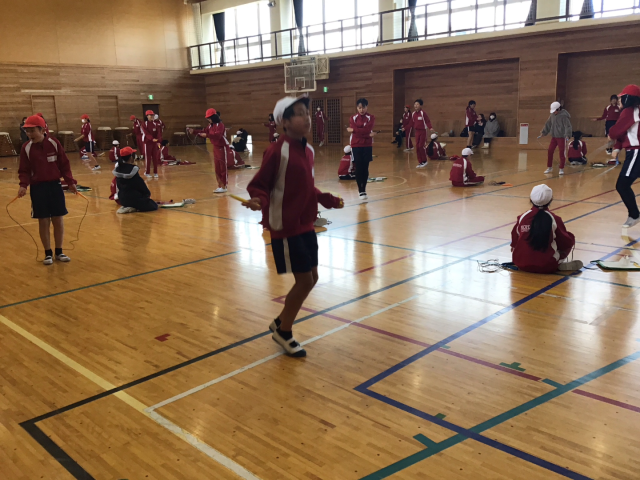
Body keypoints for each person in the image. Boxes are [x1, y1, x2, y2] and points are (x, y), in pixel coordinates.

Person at [242, 95, 344, 357]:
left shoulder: (308, 151)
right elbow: (260, 184)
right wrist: (258, 200)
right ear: (284, 122)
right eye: (299, 113)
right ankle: (284, 332)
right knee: (304, 280)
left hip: (305, 223)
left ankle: (281, 321)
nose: (307, 118)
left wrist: (326, 199)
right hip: (285, 225)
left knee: (313, 278)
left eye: (306, 113)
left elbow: (307, 186)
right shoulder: (277, 151)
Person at [17, 115, 77, 265]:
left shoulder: (54, 143)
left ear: (42, 130)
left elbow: (64, 164)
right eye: (27, 131)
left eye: (32, 131)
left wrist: (70, 182)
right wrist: (23, 185)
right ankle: (48, 253)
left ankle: (59, 251)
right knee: (43, 221)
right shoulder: (26, 148)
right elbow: (24, 170)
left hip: (55, 186)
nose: (29, 134)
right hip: (38, 188)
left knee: (58, 219)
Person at [510, 184, 583, 273]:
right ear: (551, 200)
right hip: (546, 265)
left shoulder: (522, 217)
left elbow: (514, 240)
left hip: (520, 263)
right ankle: (557, 264)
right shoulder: (554, 219)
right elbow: (565, 242)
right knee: (569, 237)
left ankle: (529, 260)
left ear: (530, 199)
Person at [609, 84, 640, 228]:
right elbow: (623, 134)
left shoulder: (629, 111)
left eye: (622, 97)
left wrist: (611, 136)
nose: (619, 100)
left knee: (622, 185)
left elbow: (615, 132)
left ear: (628, 98)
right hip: (633, 152)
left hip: (636, 153)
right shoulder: (633, 112)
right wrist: (617, 148)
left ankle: (634, 215)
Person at [189, 108, 229, 193]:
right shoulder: (210, 126)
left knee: (222, 167)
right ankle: (220, 185)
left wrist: (207, 135)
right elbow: (203, 131)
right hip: (215, 147)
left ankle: (224, 186)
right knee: (217, 168)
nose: (208, 120)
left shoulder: (220, 125)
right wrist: (194, 132)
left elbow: (217, 136)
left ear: (214, 117)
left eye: (209, 118)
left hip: (222, 147)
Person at [112, 147, 158, 214]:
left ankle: (128, 206)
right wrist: (147, 195)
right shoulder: (133, 169)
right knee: (153, 205)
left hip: (122, 199)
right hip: (133, 198)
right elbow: (140, 185)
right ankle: (134, 208)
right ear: (131, 157)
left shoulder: (118, 169)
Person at [348, 98, 376, 200]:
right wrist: (367, 134)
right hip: (356, 145)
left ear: (366, 107)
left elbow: (368, 129)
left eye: (363, 107)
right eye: (359, 108)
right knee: (359, 167)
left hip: (367, 145)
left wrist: (354, 130)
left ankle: (364, 188)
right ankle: (361, 190)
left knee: (365, 167)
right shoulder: (353, 118)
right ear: (357, 108)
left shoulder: (371, 117)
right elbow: (366, 132)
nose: (361, 110)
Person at [541, 101, 572, 175]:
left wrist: (567, 135)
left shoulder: (564, 116)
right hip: (554, 137)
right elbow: (548, 124)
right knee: (550, 151)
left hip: (562, 137)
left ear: (558, 109)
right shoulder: (552, 115)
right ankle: (549, 167)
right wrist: (544, 132)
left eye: (555, 110)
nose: (554, 112)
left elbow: (568, 126)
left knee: (562, 153)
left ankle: (561, 168)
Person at [412, 99, 436, 168]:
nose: (416, 105)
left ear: (420, 105)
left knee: (421, 146)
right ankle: (420, 162)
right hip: (417, 132)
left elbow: (427, 121)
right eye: (415, 104)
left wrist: (430, 128)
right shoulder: (413, 114)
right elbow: (413, 122)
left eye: (417, 104)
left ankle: (424, 161)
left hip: (423, 131)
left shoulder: (423, 113)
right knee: (417, 146)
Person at [141, 109, 162, 178]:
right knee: (148, 158)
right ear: (147, 116)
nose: (152, 116)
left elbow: (159, 133)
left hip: (154, 143)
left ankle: (155, 172)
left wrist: (158, 141)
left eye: (153, 115)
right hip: (147, 143)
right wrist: (152, 139)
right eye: (150, 115)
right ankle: (147, 172)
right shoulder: (144, 124)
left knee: (155, 157)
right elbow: (146, 133)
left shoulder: (156, 124)